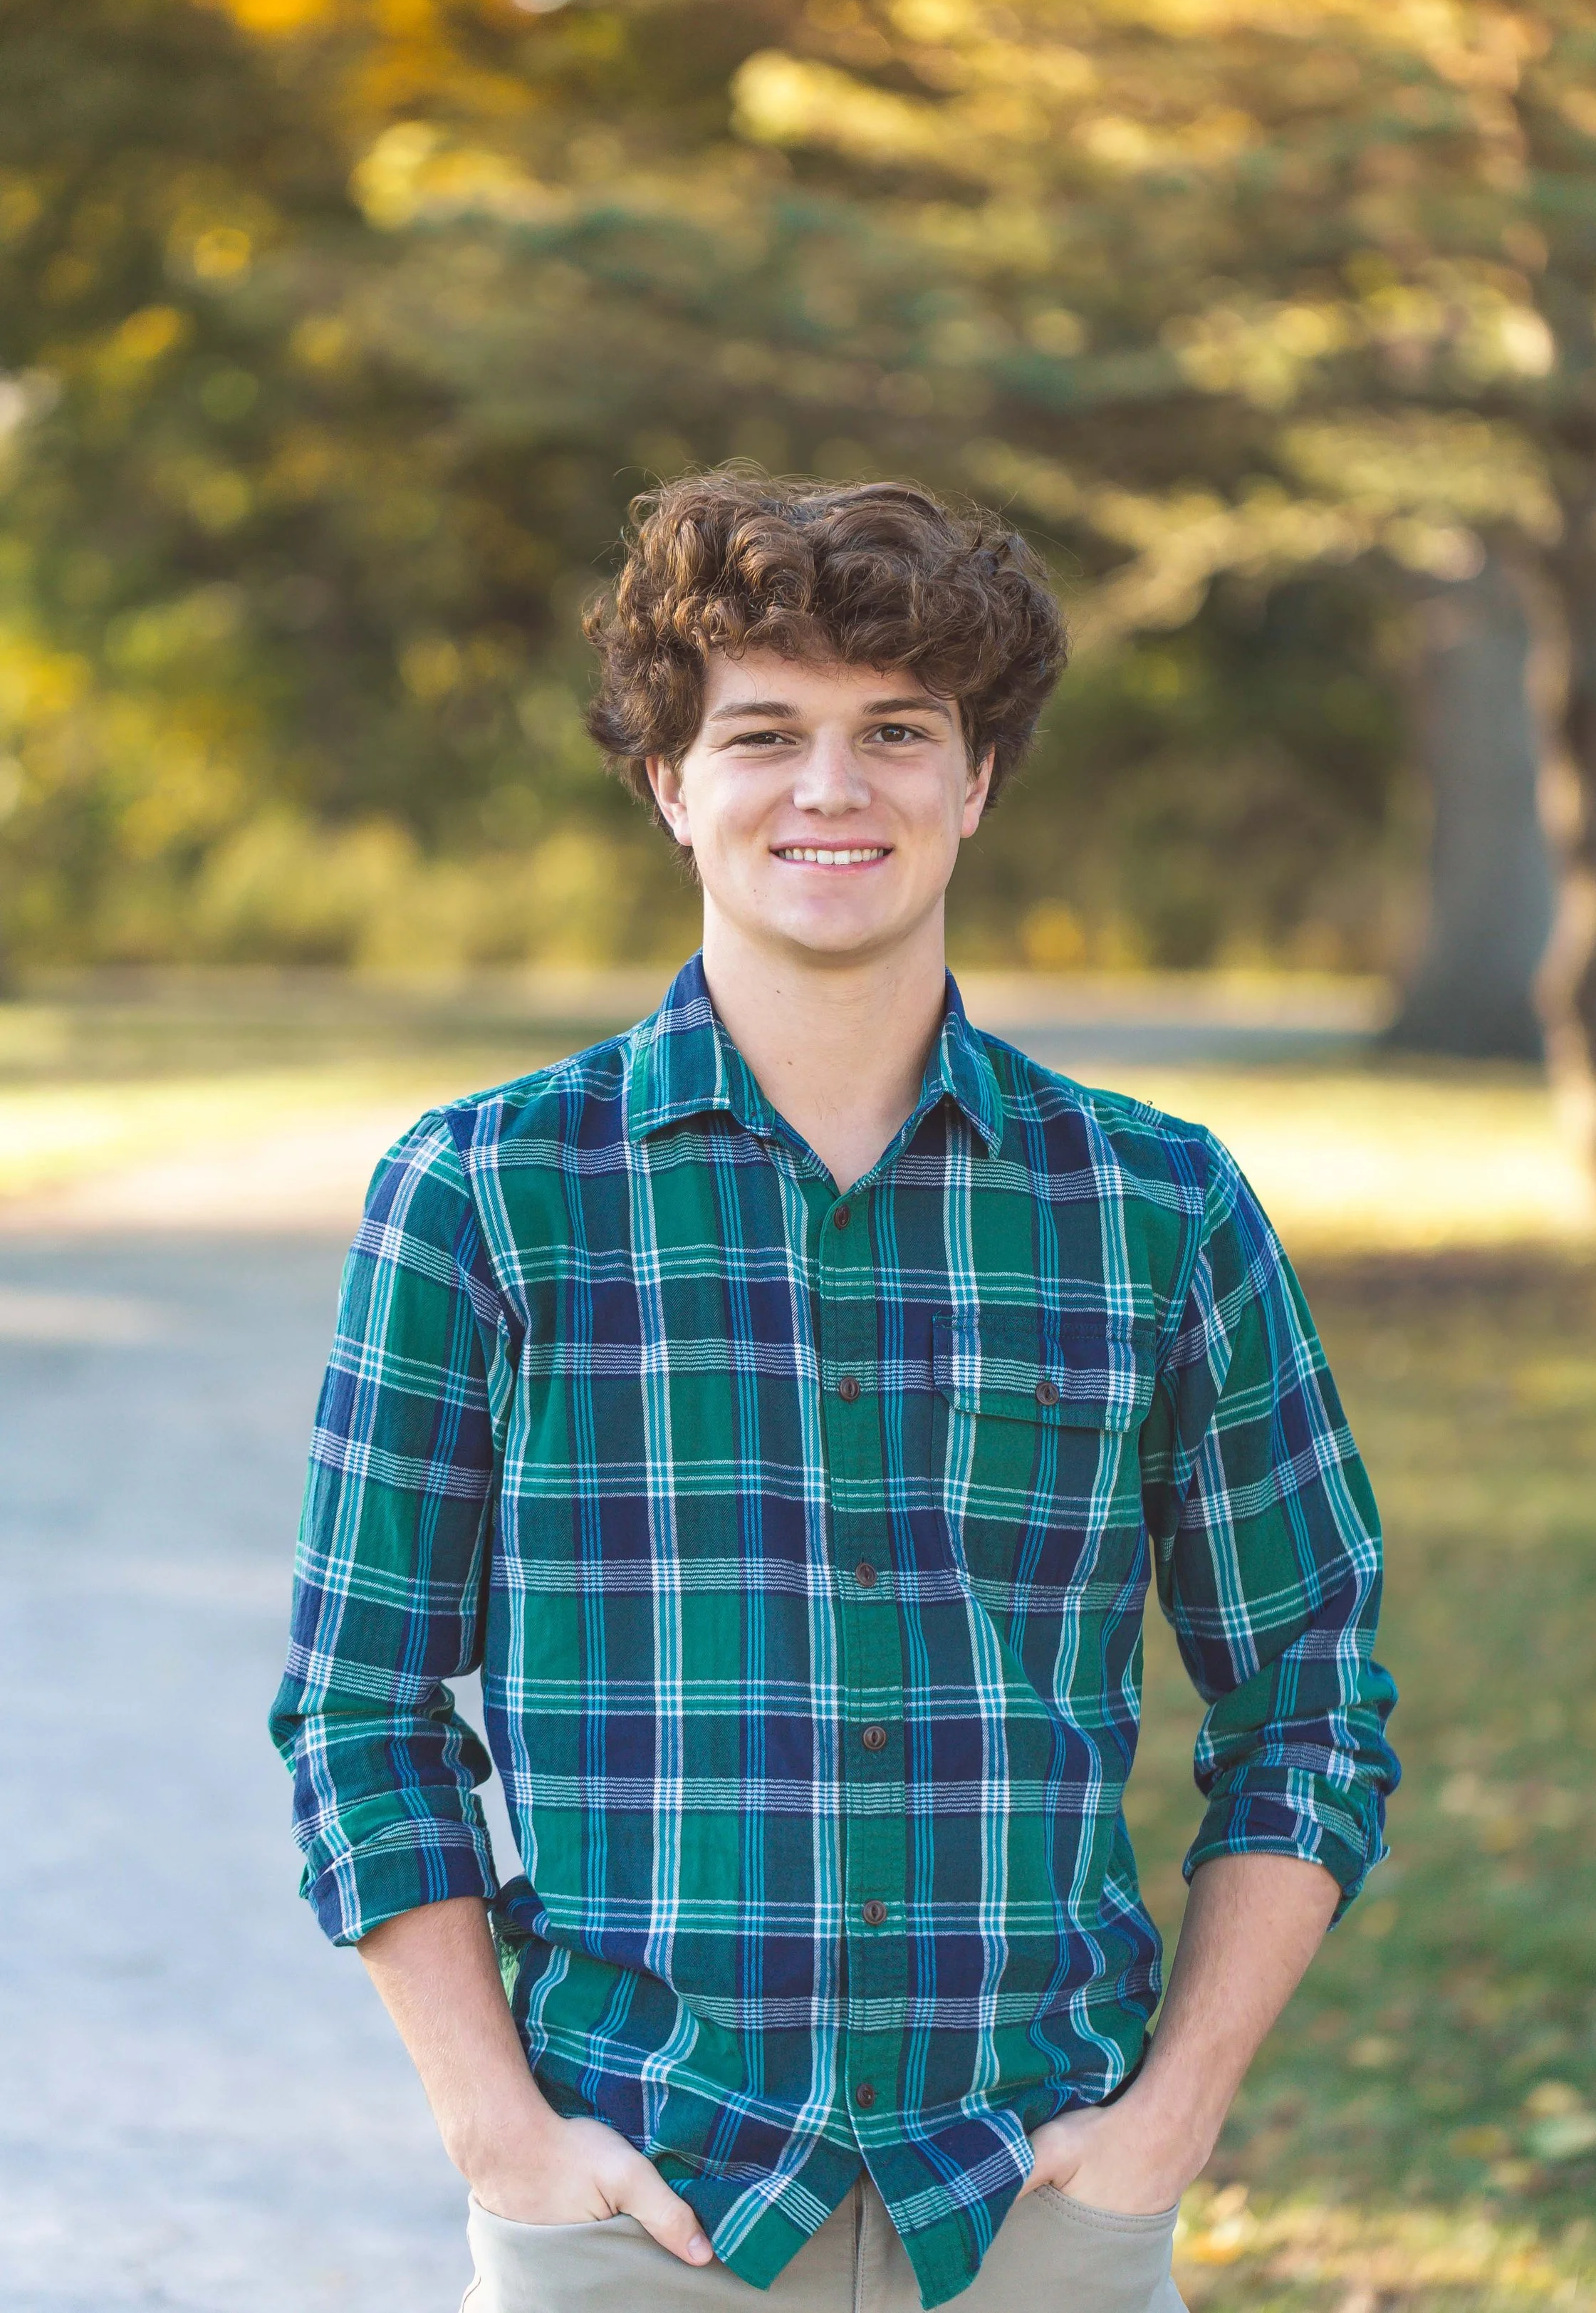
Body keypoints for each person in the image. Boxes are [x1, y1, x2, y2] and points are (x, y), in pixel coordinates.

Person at [271, 471, 1399, 2313]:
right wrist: (502, 2140)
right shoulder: (485, 1192)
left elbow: (1312, 1683)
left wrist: (1167, 2123)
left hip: (1036, 2187)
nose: (829, 787)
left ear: (977, 780)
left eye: (894, 731)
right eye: (761, 733)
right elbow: (358, 1704)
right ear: (667, 782)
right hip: (638, 2186)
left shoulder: (1152, 1202)